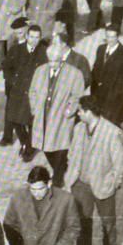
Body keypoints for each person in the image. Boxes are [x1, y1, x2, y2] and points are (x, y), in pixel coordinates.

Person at [64, 95, 123, 245]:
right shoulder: (78, 129)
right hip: (81, 184)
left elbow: (120, 162)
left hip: (102, 184)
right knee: (82, 223)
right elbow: (72, 153)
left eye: (80, 111)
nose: (78, 114)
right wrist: (72, 175)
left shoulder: (112, 132)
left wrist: (113, 183)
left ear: (88, 112)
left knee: (107, 221)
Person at [29, 40, 87, 187]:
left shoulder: (74, 74)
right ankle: (64, 171)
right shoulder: (40, 71)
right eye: (50, 61)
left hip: (61, 119)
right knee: (46, 148)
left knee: (60, 148)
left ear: (62, 59)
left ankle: (57, 180)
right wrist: (35, 107)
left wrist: (69, 111)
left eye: (55, 61)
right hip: (43, 117)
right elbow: (33, 92)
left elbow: (77, 96)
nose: (52, 64)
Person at [1, 21, 47, 161]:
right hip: (18, 91)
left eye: (37, 37)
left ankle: (29, 150)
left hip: (34, 93)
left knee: (32, 122)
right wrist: (12, 81)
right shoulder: (16, 50)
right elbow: (6, 67)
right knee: (15, 120)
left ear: (40, 38)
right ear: (27, 36)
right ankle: (26, 142)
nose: (34, 40)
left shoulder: (44, 52)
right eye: (31, 37)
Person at [90, 22, 123, 125]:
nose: (110, 40)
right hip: (97, 96)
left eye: (113, 37)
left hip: (113, 100)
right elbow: (95, 69)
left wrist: (115, 97)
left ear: (118, 36)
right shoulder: (100, 49)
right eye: (108, 36)